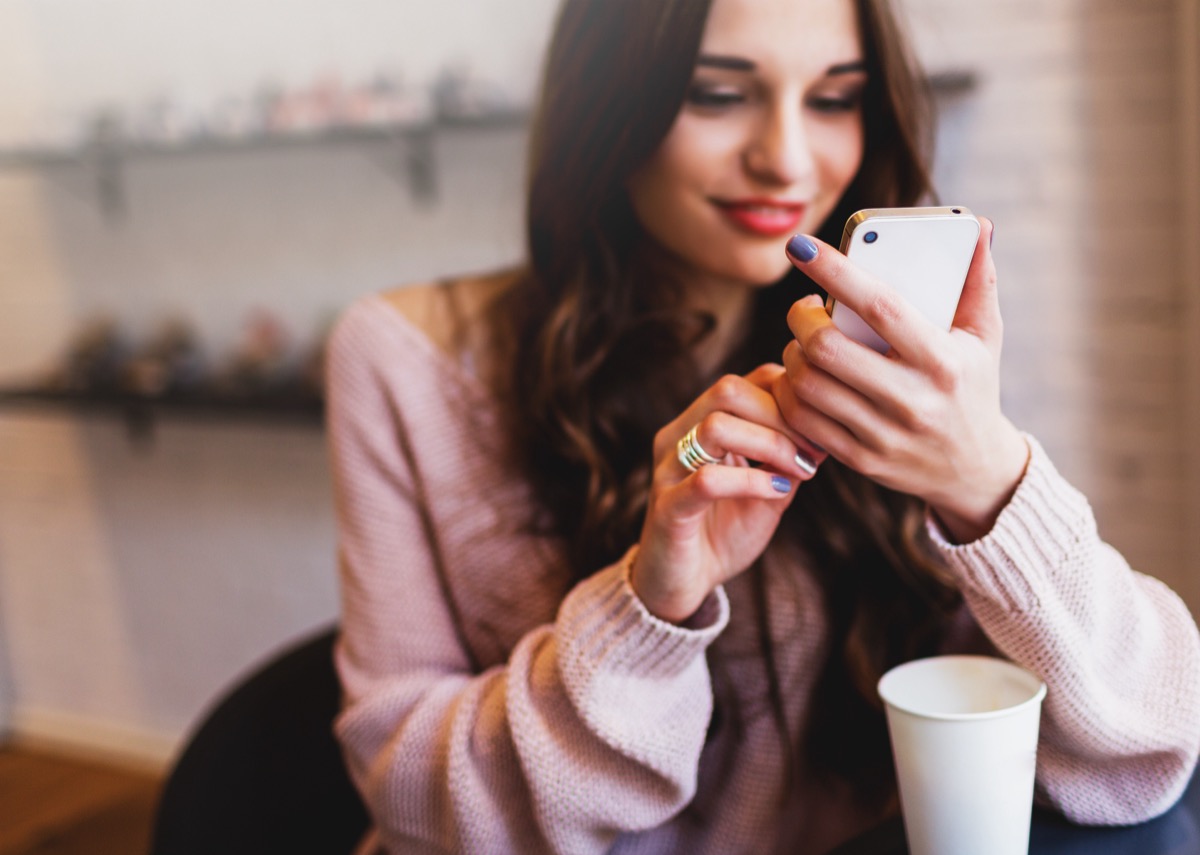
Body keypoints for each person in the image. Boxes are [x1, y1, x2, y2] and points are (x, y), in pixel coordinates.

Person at [324, 0, 1200, 851]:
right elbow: (410, 795)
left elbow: (1146, 748)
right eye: (718, 93)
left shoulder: (880, 360)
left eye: (832, 98)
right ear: (608, 98)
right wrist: (649, 608)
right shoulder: (408, 359)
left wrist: (990, 484)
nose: (785, 160)